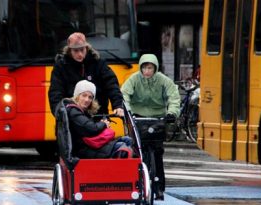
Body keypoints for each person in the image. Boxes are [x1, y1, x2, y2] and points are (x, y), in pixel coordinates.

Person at [121, 54, 180, 200]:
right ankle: (138, 183)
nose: (147, 71)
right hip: (138, 117)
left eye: (150, 68)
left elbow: (174, 95)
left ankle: (159, 188)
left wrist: (172, 112)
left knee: (158, 153)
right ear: (140, 68)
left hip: (158, 118)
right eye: (144, 68)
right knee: (138, 151)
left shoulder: (163, 80)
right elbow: (124, 94)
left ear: (155, 68)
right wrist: (127, 112)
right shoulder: (134, 79)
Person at [49, 32, 124, 117]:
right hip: (72, 119)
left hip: (98, 116)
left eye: (82, 50)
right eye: (76, 51)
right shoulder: (61, 66)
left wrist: (118, 105)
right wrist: (60, 113)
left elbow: (112, 85)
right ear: (69, 50)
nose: (80, 54)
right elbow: (55, 93)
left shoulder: (98, 63)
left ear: (87, 48)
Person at [66, 80, 132, 159]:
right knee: (123, 147)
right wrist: (103, 124)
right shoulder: (73, 111)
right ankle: (122, 169)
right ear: (77, 96)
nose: (87, 100)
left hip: (90, 144)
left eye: (90, 97)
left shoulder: (81, 111)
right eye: (84, 95)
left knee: (127, 140)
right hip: (83, 149)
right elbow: (90, 128)